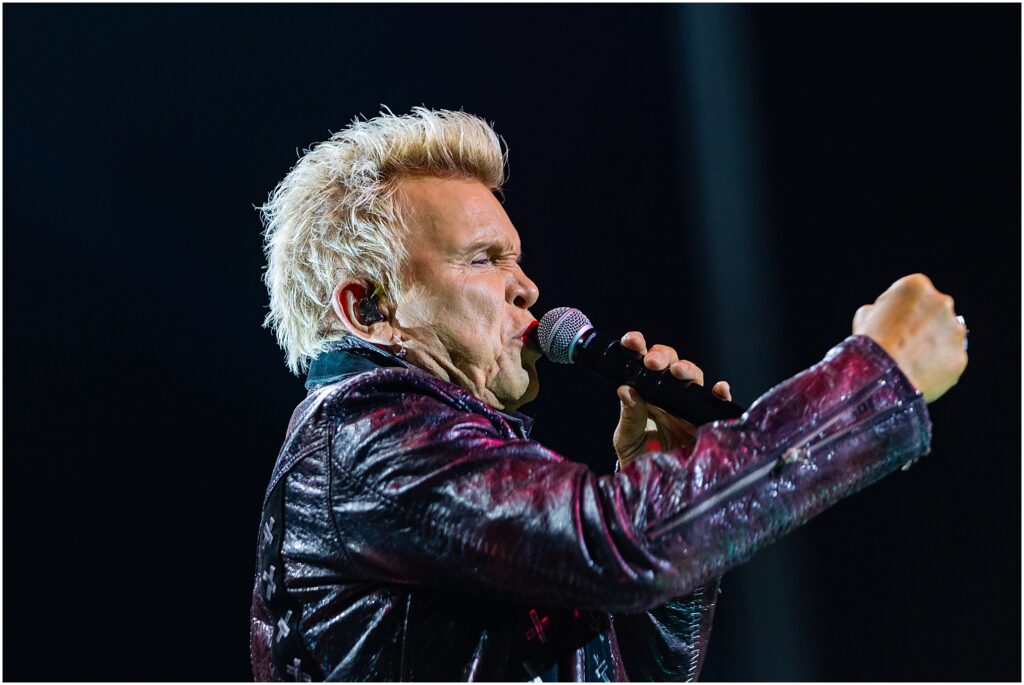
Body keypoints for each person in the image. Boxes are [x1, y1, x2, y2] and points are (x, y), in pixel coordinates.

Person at [250, 108, 967, 681]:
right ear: (368, 309)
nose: (527, 286)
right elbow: (616, 544)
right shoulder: (364, 439)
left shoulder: (437, 460)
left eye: (517, 257)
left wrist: (661, 477)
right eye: (482, 259)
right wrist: (873, 381)